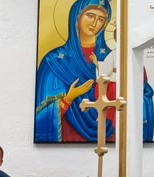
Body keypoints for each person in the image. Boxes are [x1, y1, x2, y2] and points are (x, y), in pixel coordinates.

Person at [35, 0, 114, 142]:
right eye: (90, 16)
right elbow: (42, 115)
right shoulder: (53, 61)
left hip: (108, 133)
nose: (95, 23)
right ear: (77, 16)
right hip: (68, 134)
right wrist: (69, 98)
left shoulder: (111, 58)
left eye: (101, 19)